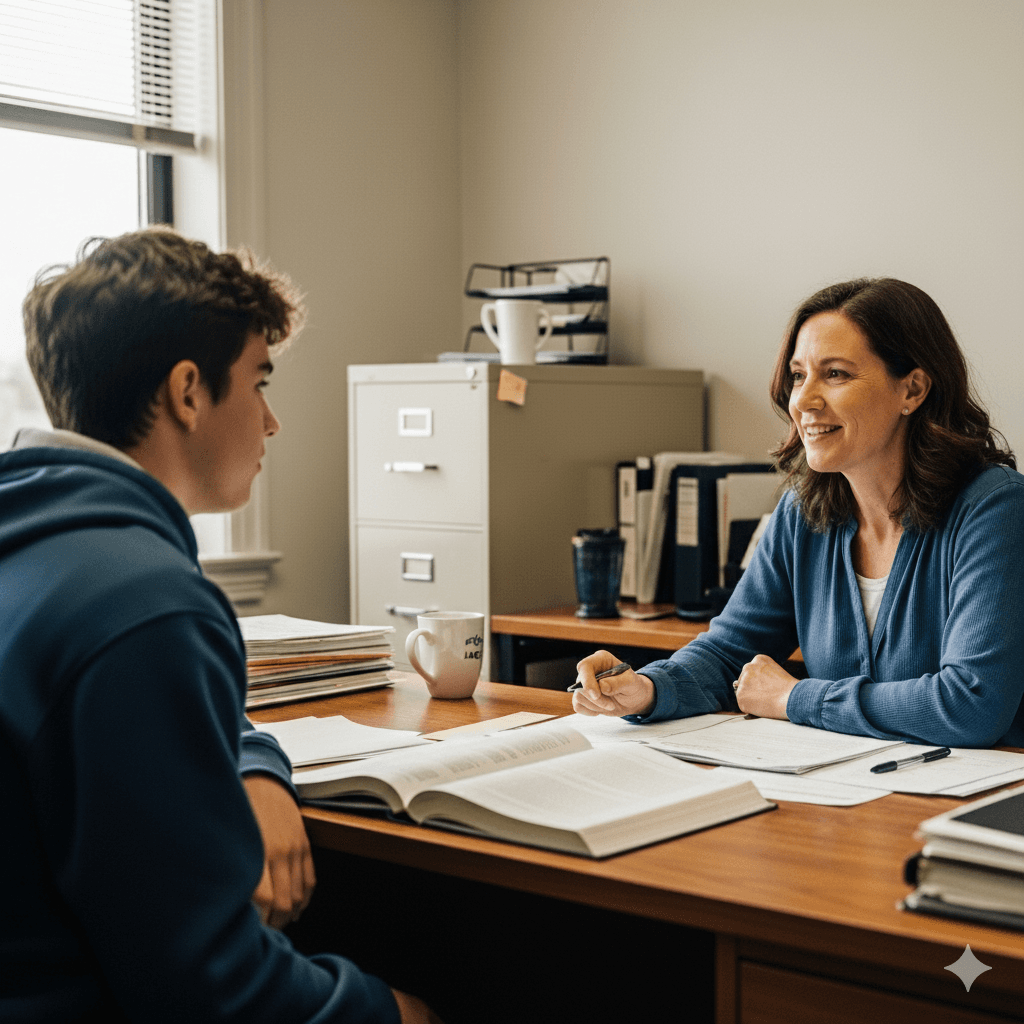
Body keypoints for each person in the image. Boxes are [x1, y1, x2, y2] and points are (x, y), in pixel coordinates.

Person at [0, 227, 440, 1023]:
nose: (271, 424)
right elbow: (210, 991)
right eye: (259, 383)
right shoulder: (142, 603)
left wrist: (256, 765)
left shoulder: (49, 551)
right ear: (188, 391)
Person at [574, 277, 1024, 748]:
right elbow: (729, 653)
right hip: (852, 790)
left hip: (979, 803)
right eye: (798, 375)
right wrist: (648, 688)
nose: (804, 401)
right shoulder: (803, 513)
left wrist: (795, 699)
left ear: (912, 390)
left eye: (835, 374)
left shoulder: (995, 508)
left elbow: (972, 704)